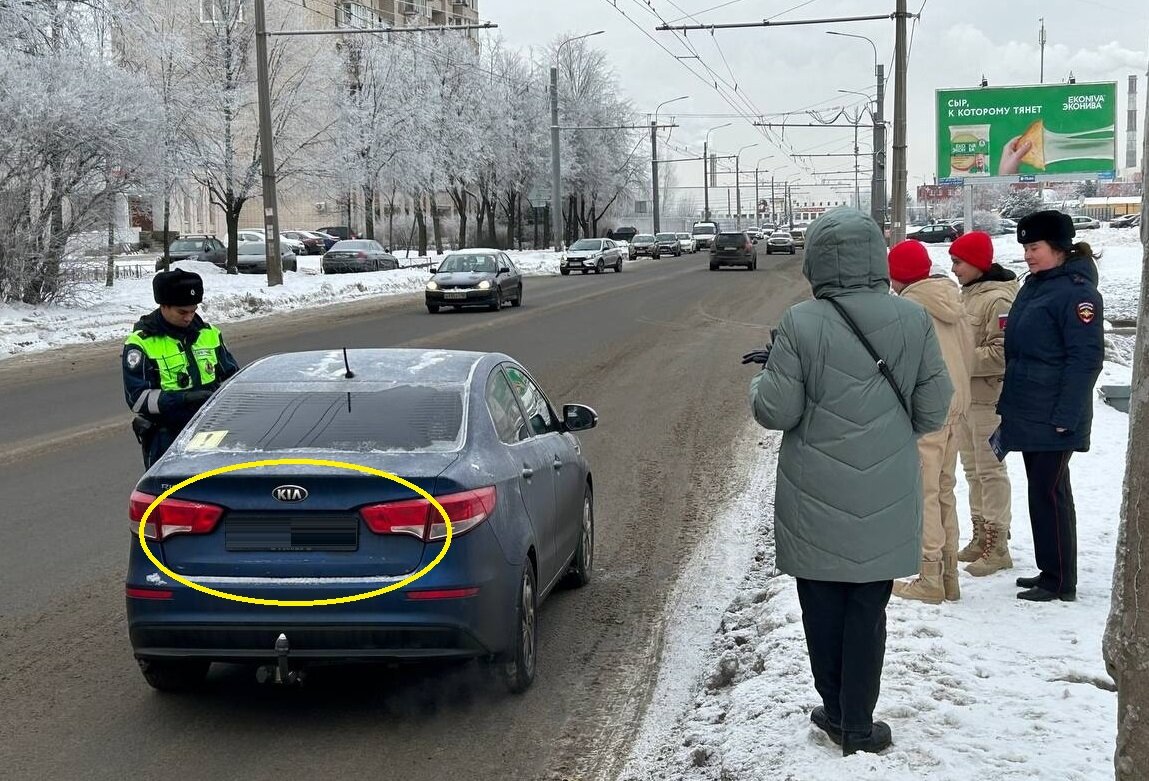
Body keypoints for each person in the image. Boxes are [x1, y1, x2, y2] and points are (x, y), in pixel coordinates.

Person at [746, 207, 953, 756]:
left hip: (814, 492)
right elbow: (934, 409)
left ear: (816, 261)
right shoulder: (912, 320)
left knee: (820, 605)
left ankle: (834, 709)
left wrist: (761, 381)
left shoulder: (800, 322)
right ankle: (858, 722)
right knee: (868, 608)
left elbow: (776, 411)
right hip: (885, 489)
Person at [997, 210, 1103, 602]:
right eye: (1025, 247)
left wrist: (1066, 416)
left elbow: (1085, 359)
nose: (1027, 254)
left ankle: (1060, 580)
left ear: (1058, 248)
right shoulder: (1036, 285)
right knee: (1041, 492)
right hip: (1031, 409)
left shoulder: (1077, 294)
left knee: (1051, 493)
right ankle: (1049, 569)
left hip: (1054, 415)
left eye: (1035, 247)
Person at [886, 239, 973, 604]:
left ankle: (930, 576)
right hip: (957, 410)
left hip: (927, 414)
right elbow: (968, 356)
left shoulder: (908, 311)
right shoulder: (954, 301)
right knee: (944, 491)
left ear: (898, 276)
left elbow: (902, 369)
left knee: (923, 496)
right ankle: (949, 576)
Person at [949, 231, 1019, 577]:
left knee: (991, 471)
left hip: (989, 400)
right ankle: (980, 535)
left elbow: (1000, 354)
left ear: (978, 263)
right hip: (966, 398)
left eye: (959, 262)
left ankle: (998, 544)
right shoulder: (967, 295)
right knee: (973, 471)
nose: (954, 269)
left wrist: (955, 357)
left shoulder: (998, 300)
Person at [122, 269, 239, 468]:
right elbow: (138, 399)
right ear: (163, 306)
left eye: (193, 311)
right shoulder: (141, 343)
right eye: (182, 312)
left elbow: (233, 378)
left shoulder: (209, 334)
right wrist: (183, 399)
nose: (189, 317)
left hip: (211, 431)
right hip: (168, 437)